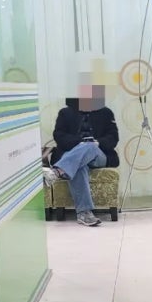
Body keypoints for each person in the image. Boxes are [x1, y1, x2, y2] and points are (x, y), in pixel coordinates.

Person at [43, 84, 119, 227]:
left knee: (90, 146)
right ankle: (84, 214)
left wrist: (97, 143)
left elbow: (113, 138)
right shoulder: (65, 113)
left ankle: (57, 171)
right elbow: (59, 135)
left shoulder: (106, 113)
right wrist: (79, 143)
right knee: (79, 166)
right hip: (74, 155)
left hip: (99, 154)